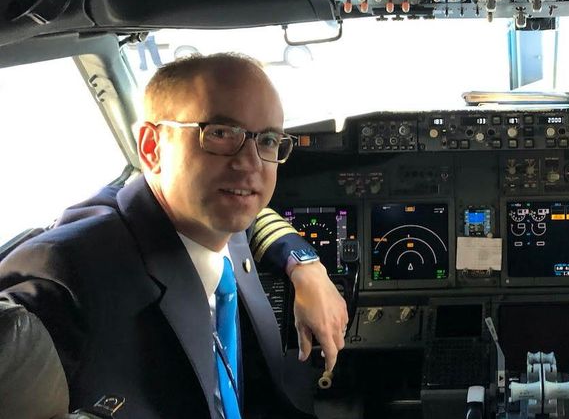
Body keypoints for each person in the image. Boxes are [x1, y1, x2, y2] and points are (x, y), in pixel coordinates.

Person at [0, 53, 348, 418]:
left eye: (268, 140)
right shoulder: (65, 275)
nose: (251, 164)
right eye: (220, 133)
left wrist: (307, 268)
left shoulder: (216, 215)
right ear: (152, 148)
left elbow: (255, 210)